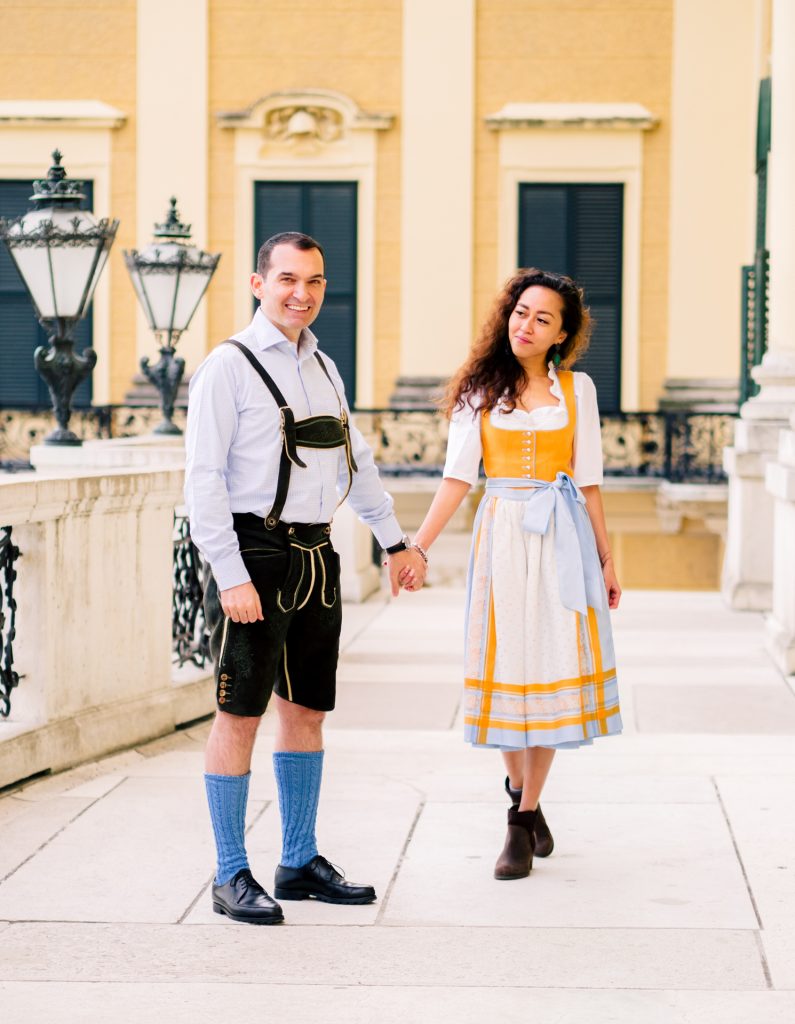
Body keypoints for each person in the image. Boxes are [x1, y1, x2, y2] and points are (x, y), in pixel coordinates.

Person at [184, 231, 426, 924]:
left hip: (318, 557)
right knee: (239, 715)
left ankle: (297, 860)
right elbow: (202, 481)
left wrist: (395, 541)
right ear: (259, 284)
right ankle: (230, 873)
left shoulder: (322, 366)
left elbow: (355, 461)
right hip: (255, 556)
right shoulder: (226, 367)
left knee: (308, 711)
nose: (302, 293)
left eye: (314, 281)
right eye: (288, 279)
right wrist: (230, 574)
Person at [411, 268, 622, 880]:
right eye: (520, 312)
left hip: (562, 533)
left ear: (561, 335)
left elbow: (589, 480)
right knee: (504, 666)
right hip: (501, 533)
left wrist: (606, 558)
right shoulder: (480, 391)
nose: (525, 325)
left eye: (542, 318)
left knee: (551, 664)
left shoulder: (577, 390)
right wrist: (417, 547)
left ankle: (521, 822)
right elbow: (457, 479)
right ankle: (522, 796)